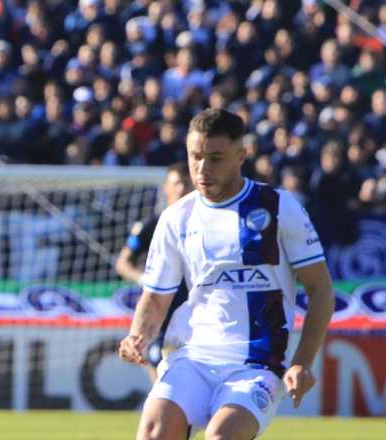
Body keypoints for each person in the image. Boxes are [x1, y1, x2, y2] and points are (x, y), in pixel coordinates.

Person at [118, 108, 334, 440]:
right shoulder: (177, 217)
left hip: (257, 363)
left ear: (240, 156)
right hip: (192, 355)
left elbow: (320, 291)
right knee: (154, 432)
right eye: (196, 157)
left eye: (216, 158)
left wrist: (302, 361)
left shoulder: (279, 207)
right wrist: (138, 335)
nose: (202, 169)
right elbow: (156, 296)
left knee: (222, 437)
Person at [114, 161, 193, 384]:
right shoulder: (152, 225)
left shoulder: (205, 224)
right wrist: (145, 279)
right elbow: (123, 263)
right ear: (164, 188)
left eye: (186, 184)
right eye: (176, 184)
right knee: (162, 385)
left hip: (197, 312)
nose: (181, 189)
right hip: (162, 311)